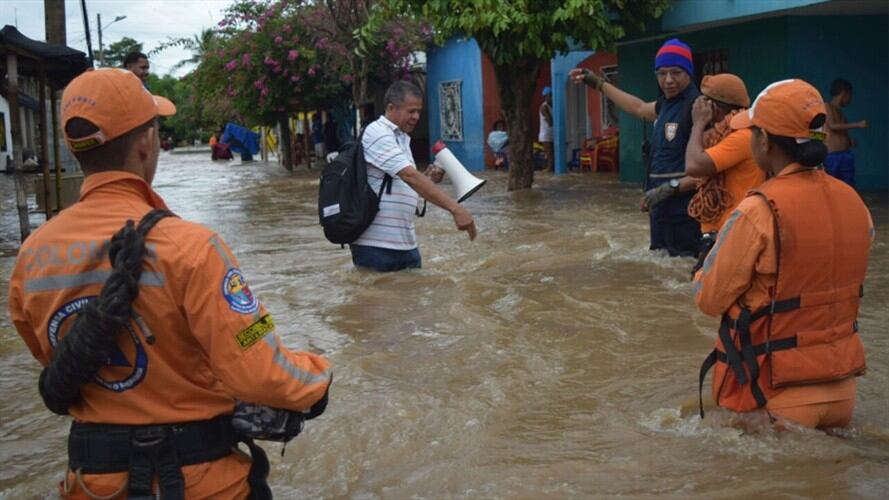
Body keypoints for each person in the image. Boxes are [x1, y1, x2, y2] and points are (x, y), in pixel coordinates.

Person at [6, 68, 332, 498]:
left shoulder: (31, 255)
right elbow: (259, 371)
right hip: (203, 483)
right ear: (146, 142)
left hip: (90, 482)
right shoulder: (193, 247)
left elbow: (53, 362)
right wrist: (318, 375)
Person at [695, 79, 873, 431]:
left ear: (764, 141)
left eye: (752, 132)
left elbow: (709, 299)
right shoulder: (855, 203)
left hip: (775, 394)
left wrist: (704, 267)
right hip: (843, 392)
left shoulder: (758, 211)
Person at [571, 38, 701, 257]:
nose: (668, 80)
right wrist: (599, 84)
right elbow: (638, 107)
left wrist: (669, 188)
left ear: (689, 72)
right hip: (661, 210)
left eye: (676, 73)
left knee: (685, 265)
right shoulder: (666, 104)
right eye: (662, 73)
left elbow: (710, 170)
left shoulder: (698, 108)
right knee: (662, 268)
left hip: (685, 212)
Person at [352, 80, 477, 272]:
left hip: (405, 245)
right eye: (411, 111)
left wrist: (428, 178)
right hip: (377, 245)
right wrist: (455, 208)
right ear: (391, 108)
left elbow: (406, 181)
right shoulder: (378, 132)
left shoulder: (401, 138)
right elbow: (410, 176)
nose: (416, 117)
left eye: (419, 111)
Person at [683, 73, 766, 274]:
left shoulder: (741, 137)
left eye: (703, 101)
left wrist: (698, 123)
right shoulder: (726, 135)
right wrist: (670, 188)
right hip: (721, 233)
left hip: (730, 235)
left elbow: (693, 165)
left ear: (714, 107)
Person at [824, 78, 868, 187]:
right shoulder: (827, 106)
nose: (850, 100)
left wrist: (849, 141)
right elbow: (832, 125)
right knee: (831, 184)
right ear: (844, 94)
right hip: (832, 156)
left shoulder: (841, 113)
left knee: (847, 185)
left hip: (845, 155)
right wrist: (857, 124)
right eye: (850, 96)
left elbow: (840, 133)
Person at [538, 87, 554, 172]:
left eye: (552, 95)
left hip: (552, 134)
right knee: (550, 156)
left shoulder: (552, 105)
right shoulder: (544, 107)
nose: (551, 98)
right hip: (546, 135)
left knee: (553, 156)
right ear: (546, 97)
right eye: (550, 96)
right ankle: (549, 171)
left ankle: (550, 170)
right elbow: (550, 122)